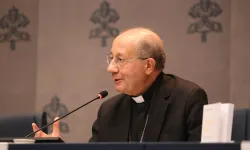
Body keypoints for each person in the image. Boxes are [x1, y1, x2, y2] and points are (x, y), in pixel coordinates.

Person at [32, 27, 208, 142]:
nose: (110, 68)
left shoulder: (188, 99)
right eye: (111, 58)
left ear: (148, 65)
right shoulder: (109, 109)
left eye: (120, 60)